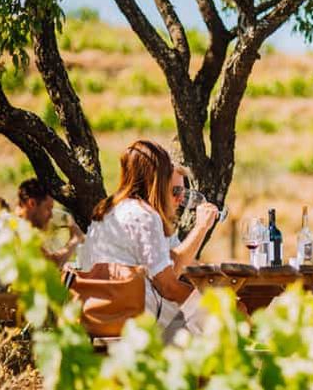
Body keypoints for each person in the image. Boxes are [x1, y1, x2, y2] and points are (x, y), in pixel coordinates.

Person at [78, 140, 219, 334]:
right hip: (134, 317)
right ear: (156, 180)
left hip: (100, 312)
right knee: (215, 324)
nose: (179, 198)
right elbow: (167, 286)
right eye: (174, 188)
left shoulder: (109, 210)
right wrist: (212, 305)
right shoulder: (144, 215)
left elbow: (171, 264)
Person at [0, 178, 84, 296]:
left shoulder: (8, 223)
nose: (51, 215)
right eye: (48, 208)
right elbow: (51, 265)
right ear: (31, 203)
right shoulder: (18, 227)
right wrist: (75, 239)